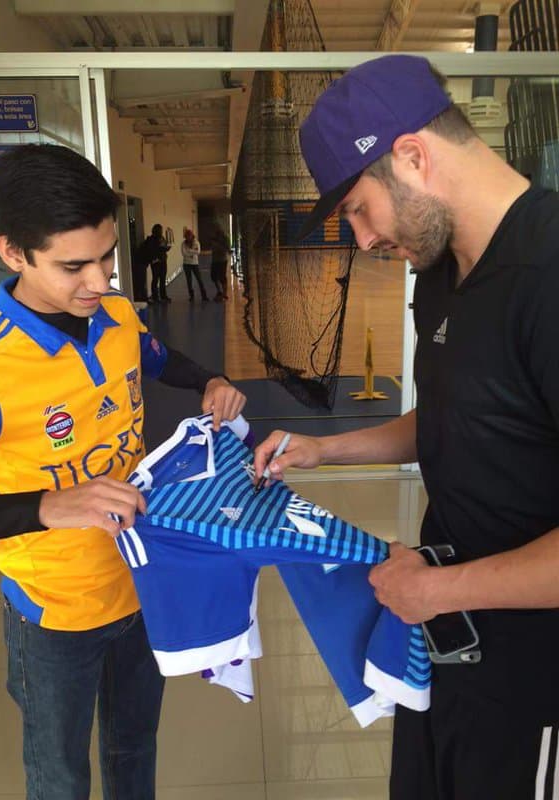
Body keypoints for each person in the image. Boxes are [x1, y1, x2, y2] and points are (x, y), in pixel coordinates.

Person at [253, 55, 559, 800]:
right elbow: (462, 416)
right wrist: (324, 449)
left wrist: (441, 589)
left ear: (413, 157)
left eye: (360, 209)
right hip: (446, 637)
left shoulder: (547, 276)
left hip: (534, 676)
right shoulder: (443, 273)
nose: (361, 241)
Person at [0, 143, 246, 800]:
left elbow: (159, 358)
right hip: (53, 613)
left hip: (142, 580)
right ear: (13, 253)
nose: (99, 280)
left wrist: (209, 380)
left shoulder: (115, 314)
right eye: (73, 266)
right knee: (60, 775)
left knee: (134, 746)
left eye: (108, 256)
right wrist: (45, 507)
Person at [138, 223, 171, 303]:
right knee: (155, 279)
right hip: (156, 262)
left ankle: (163, 296)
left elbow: (164, 245)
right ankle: (155, 296)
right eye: (160, 230)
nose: (161, 232)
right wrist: (161, 249)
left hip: (163, 261)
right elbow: (152, 250)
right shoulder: (151, 240)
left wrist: (166, 248)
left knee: (163, 279)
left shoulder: (162, 238)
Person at [181, 228, 208, 302]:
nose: (188, 237)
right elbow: (183, 253)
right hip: (186, 264)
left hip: (195, 264)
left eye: (189, 236)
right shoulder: (183, 243)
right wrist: (192, 252)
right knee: (189, 281)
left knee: (199, 279)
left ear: (192, 235)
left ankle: (204, 296)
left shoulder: (196, 242)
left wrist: (189, 251)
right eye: (187, 236)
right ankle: (191, 296)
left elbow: (198, 252)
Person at [209, 224, 230, 301]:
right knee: (213, 277)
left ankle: (225, 294)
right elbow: (212, 247)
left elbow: (227, 249)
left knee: (222, 277)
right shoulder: (213, 238)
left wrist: (218, 246)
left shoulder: (225, 238)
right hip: (214, 260)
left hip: (222, 260)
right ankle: (219, 291)